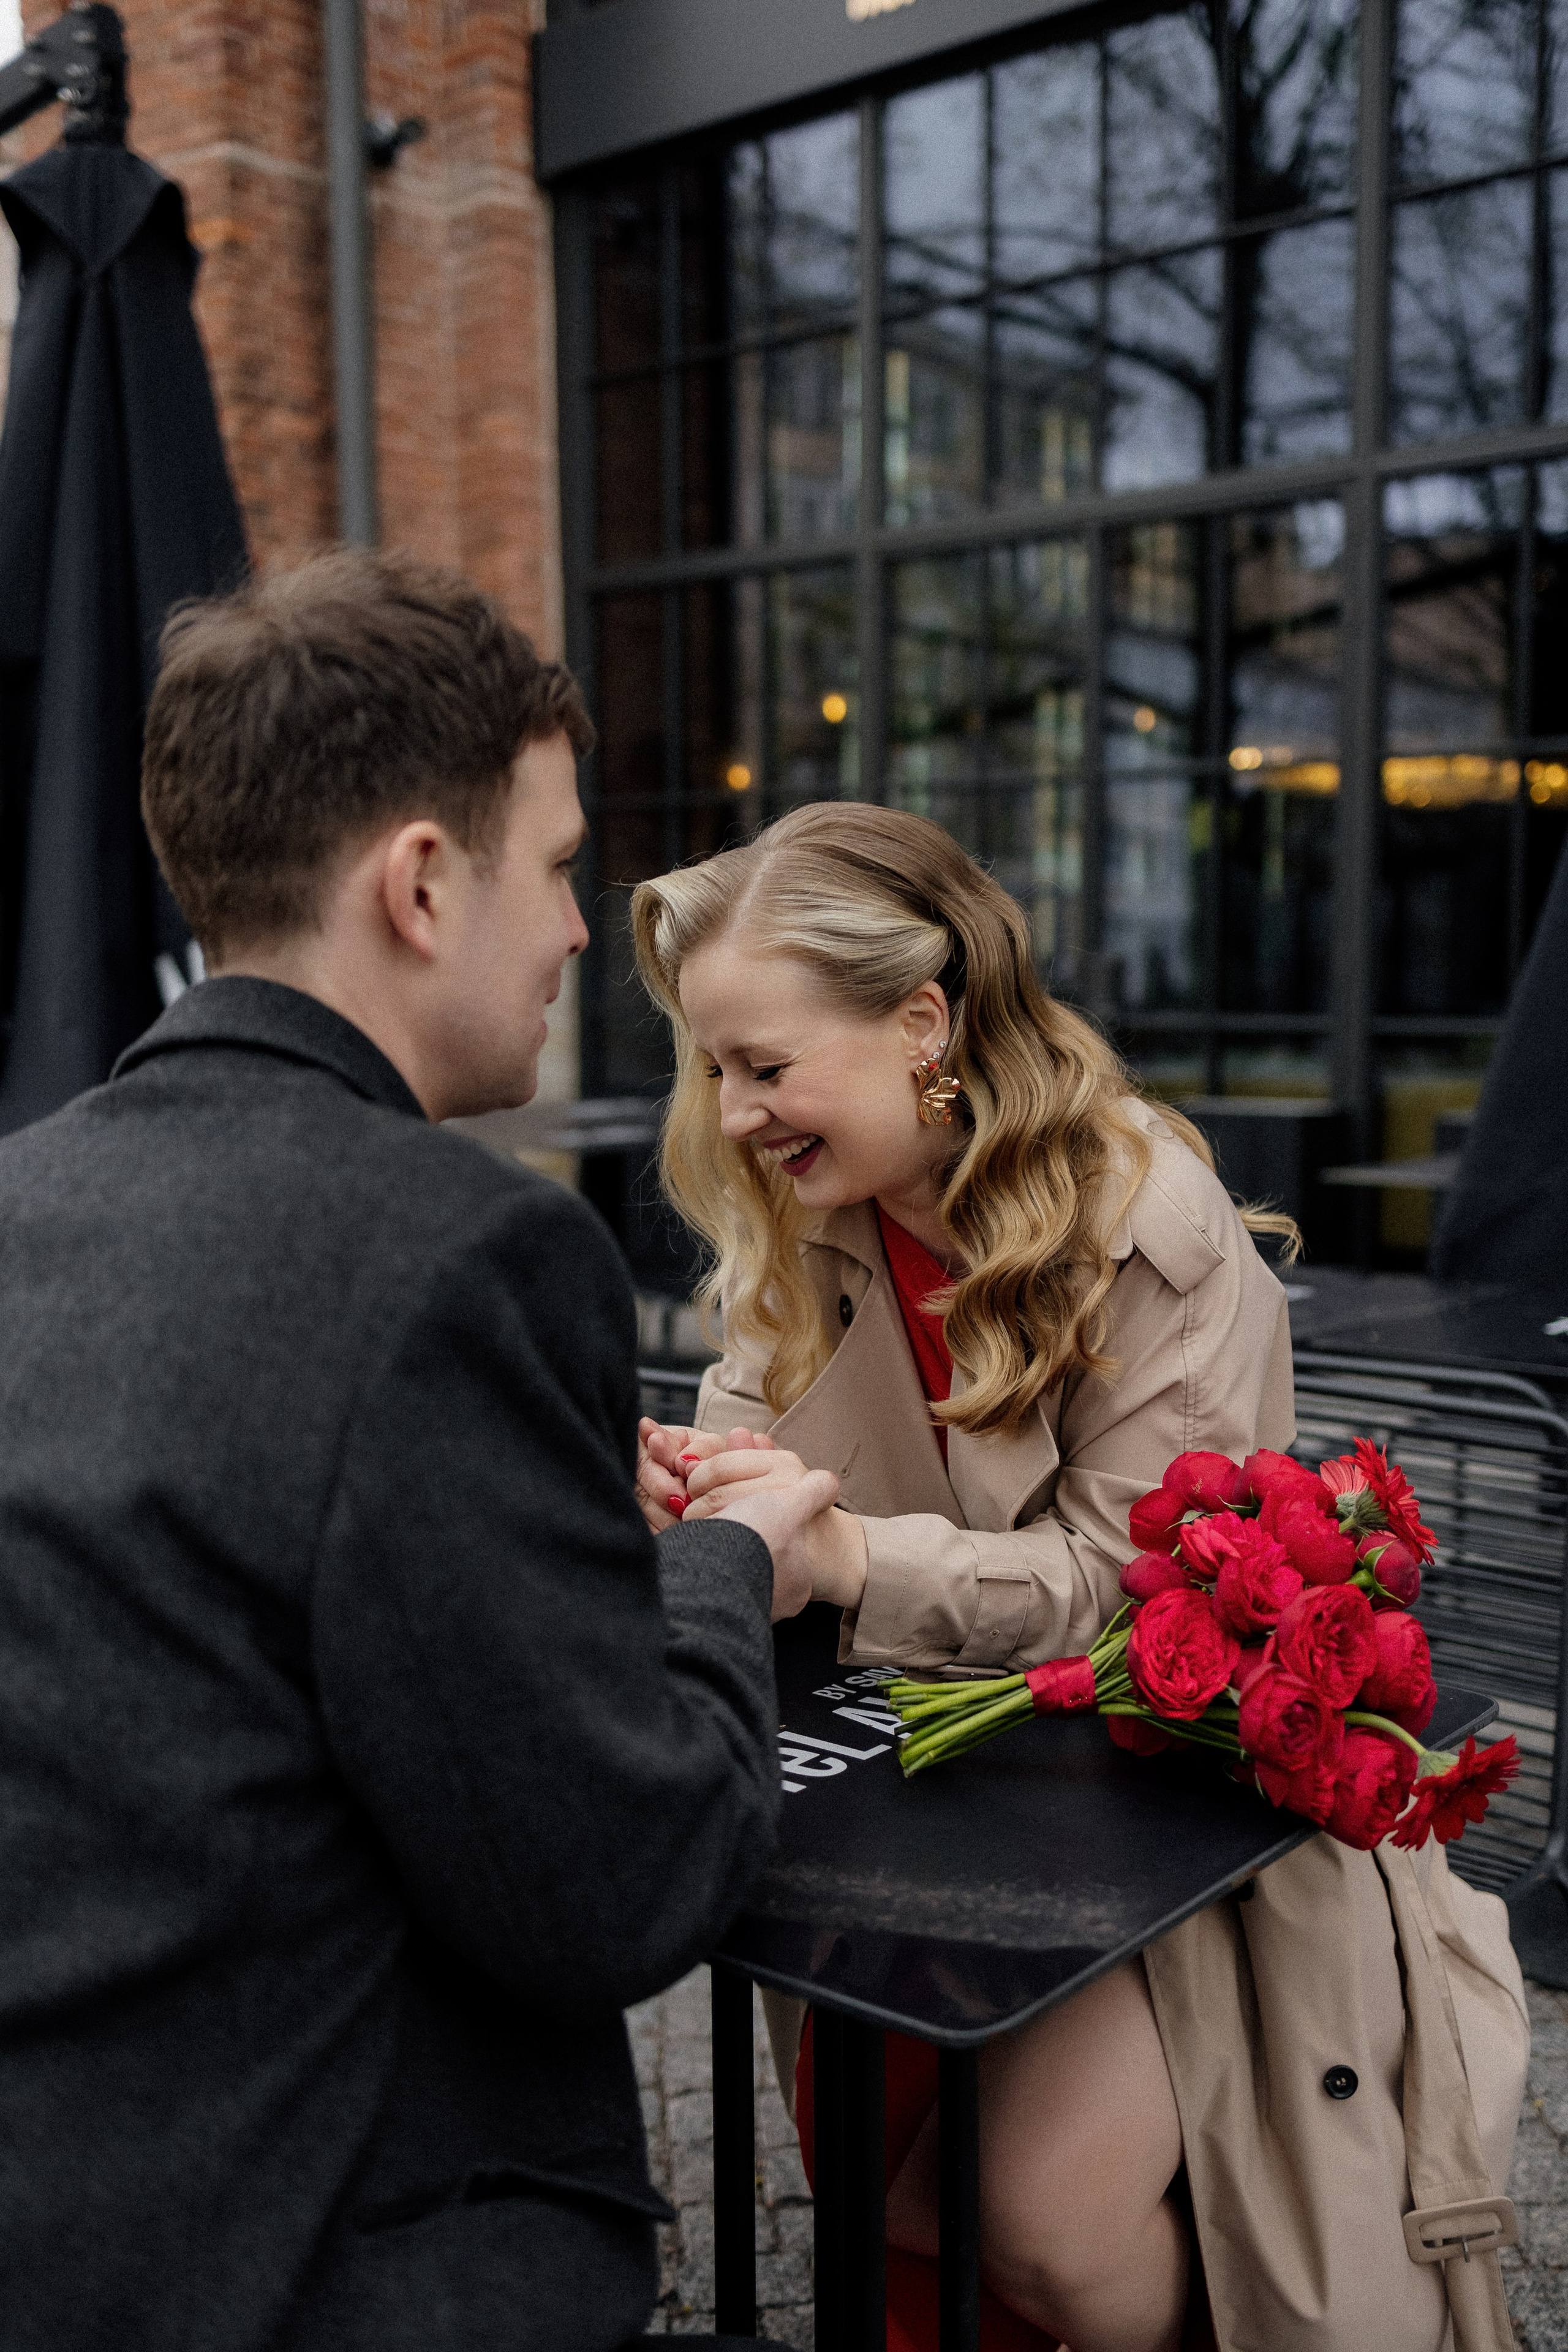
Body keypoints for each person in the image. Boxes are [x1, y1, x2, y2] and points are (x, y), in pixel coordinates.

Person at [0, 549, 839, 2352]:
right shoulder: (462, 1250)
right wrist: (723, 1564)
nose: (569, 933)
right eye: (553, 869)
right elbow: (616, 1887)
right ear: (419, 880)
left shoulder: (23, 1199)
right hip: (323, 2261)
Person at [631, 803, 1530, 2352]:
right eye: (713, 1067)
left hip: (1151, 1819)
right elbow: (750, 1417)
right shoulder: (817, 1203)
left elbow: (1122, 1588)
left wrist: (834, 1551)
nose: (731, 1111)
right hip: (909, 1781)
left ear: (924, 1023)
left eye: (763, 1065)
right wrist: (700, 1496)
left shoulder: (1141, 1227)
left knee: (1024, 2224)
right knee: (893, 2188)